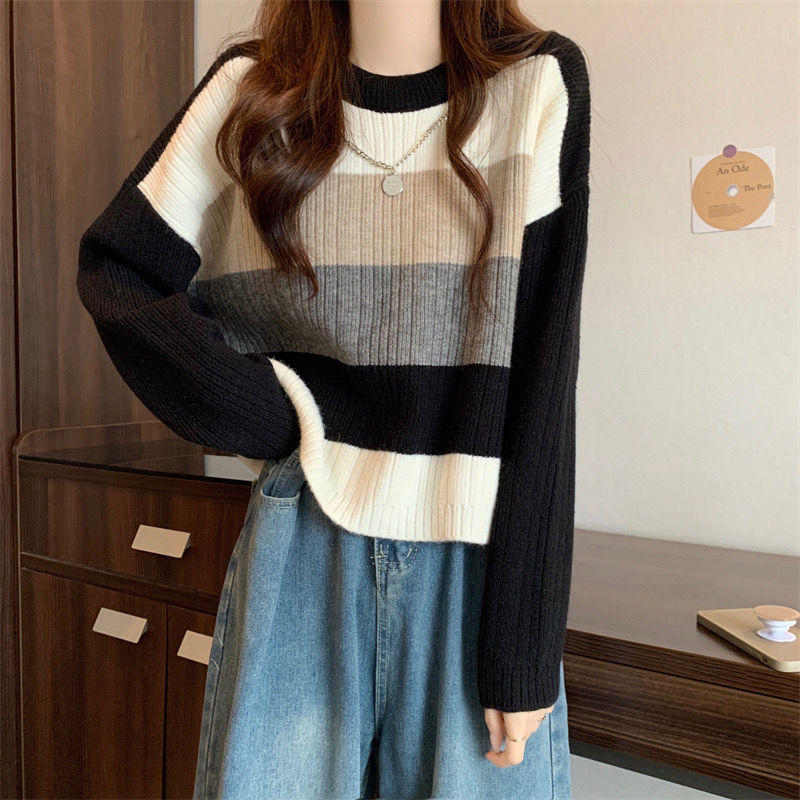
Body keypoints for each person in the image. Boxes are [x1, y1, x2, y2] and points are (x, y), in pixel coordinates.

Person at [76, 0, 591, 797]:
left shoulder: (538, 82)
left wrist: (523, 643)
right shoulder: (250, 91)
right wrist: (268, 415)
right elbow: (120, 269)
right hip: (303, 536)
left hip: (474, 555)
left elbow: (545, 383)